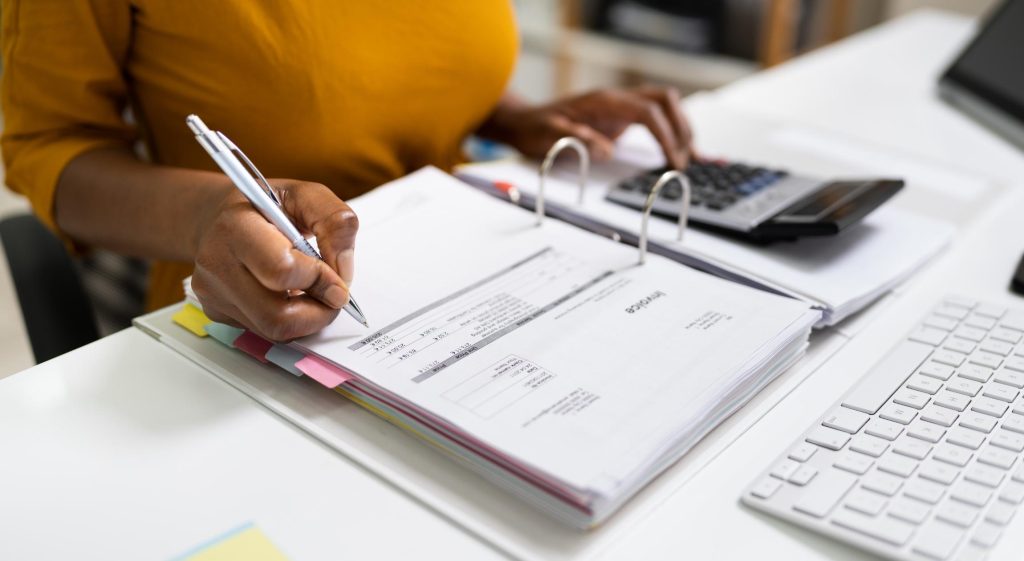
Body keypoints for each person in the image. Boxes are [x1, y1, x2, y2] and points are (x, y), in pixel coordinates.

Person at [1, 1, 694, 341]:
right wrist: (205, 213)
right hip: (257, 312)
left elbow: (405, 60)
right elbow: (47, 145)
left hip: (471, 278)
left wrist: (511, 116)